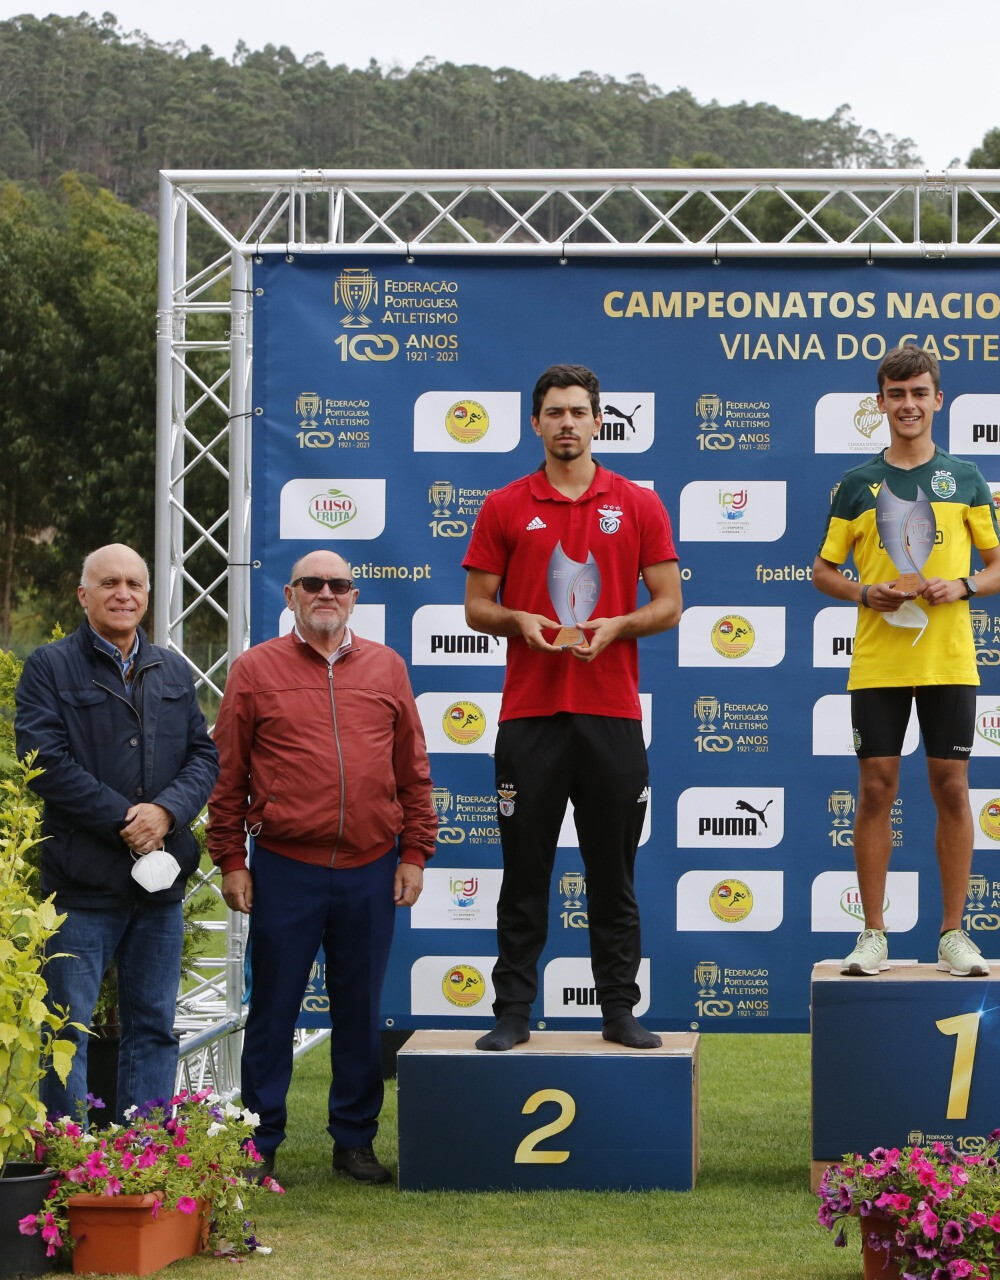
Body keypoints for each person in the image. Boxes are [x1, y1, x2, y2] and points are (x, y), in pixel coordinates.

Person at [463, 363, 682, 1053]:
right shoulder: (503, 504)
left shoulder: (638, 504)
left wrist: (618, 625)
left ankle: (618, 1011)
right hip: (529, 716)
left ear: (597, 421)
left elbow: (670, 605)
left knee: (612, 874)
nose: (566, 423)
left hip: (611, 714)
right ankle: (512, 1014)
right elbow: (476, 608)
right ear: (536, 423)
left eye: (577, 412)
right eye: (553, 412)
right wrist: (518, 621)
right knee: (524, 872)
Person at [206, 550, 435, 1185]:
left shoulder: (387, 667)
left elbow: (412, 770)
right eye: (313, 583)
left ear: (354, 596)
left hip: (370, 865)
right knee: (274, 1009)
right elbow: (227, 775)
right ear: (291, 594)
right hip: (285, 866)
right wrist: (230, 858)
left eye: (338, 584)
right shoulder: (255, 669)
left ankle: (354, 1142)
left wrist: (414, 852)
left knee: (360, 1011)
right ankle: (259, 1143)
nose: (326, 592)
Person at [810, 345, 1000, 978]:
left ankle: (953, 933)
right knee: (876, 789)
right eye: (896, 394)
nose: (908, 404)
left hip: (949, 660)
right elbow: (821, 571)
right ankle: (874, 932)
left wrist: (965, 586)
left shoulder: (967, 478)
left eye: (919, 392)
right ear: (880, 403)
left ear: (937, 400)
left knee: (951, 788)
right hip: (879, 660)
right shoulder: (855, 483)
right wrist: (863, 591)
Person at [16, 544, 220, 1122]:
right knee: (66, 1031)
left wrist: (167, 813)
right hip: (82, 884)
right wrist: (126, 820)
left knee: (154, 1028)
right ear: (84, 595)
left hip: (159, 888)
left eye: (134, 583)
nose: (123, 593)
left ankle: (145, 1155)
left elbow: (203, 757)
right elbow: (43, 759)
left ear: (148, 597)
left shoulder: (173, 669)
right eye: (109, 583)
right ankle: (67, 1159)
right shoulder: (50, 667)